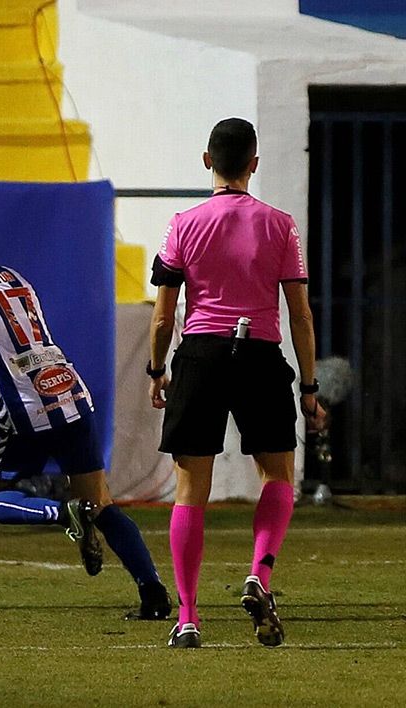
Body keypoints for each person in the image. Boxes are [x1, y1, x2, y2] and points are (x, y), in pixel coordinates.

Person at [0, 211, 171, 620]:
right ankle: (154, 594)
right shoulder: (13, 277)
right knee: (101, 502)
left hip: (25, 407)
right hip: (69, 389)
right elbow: (9, 336)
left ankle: (59, 512)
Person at [148, 118, 328, 649]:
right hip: (259, 354)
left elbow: (163, 318)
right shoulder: (281, 226)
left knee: (190, 489)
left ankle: (187, 618)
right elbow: (300, 315)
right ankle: (260, 575)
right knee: (277, 475)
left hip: (201, 355)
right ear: (254, 163)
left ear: (207, 160)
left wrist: (158, 371)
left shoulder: (182, 223)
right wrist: (310, 385)